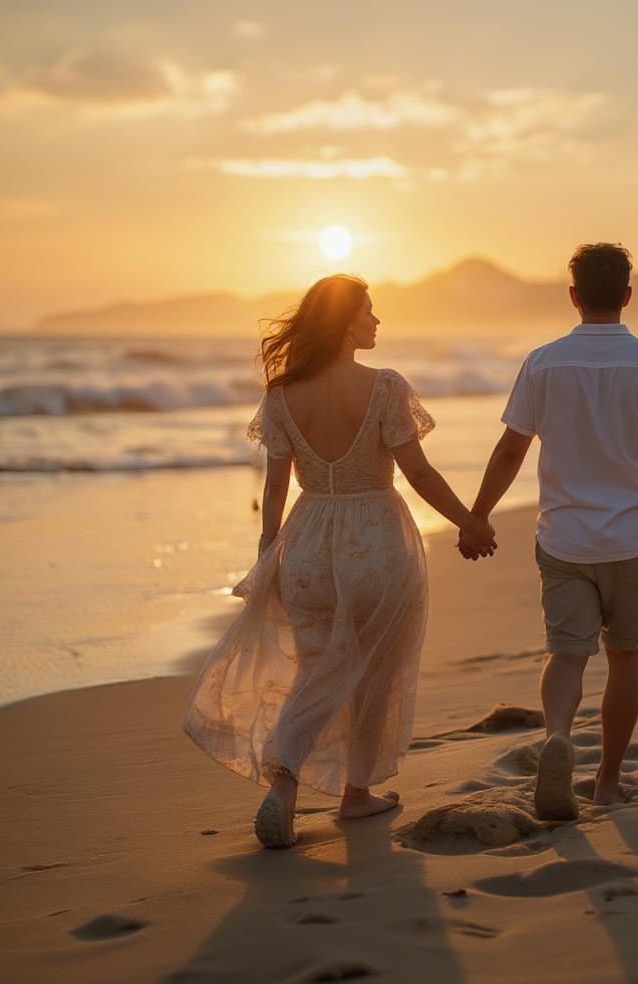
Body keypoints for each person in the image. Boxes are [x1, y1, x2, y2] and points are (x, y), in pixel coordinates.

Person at [182, 274, 496, 847]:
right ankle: (354, 795)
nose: (377, 322)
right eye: (369, 312)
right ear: (346, 322)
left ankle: (286, 788)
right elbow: (418, 473)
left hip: (306, 542)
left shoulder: (280, 395)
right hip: (375, 539)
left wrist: (269, 555)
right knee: (376, 671)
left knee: (315, 668)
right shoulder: (384, 387)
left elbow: (275, 486)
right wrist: (469, 522)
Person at [458, 242, 638, 820]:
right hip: (633, 538)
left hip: (564, 539)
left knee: (566, 655)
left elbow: (512, 448)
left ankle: (559, 735)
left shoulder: (543, 363)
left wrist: (478, 514)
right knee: (625, 658)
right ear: (628, 296)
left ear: (573, 296)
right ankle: (607, 781)